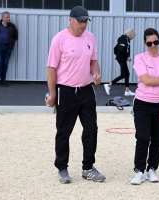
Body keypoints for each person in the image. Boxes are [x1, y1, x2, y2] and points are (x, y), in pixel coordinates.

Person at [45, 6, 106, 184]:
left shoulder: (90, 37)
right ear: (70, 19)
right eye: (80, 21)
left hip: (86, 90)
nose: (83, 24)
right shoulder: (59, 39)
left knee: (91, 129)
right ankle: (62, 168)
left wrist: (95, 74)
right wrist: (52, 94)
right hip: (66, 91)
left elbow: (93, 61)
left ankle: (88, 168)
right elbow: (51, 69)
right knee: (64, 131)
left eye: (86, 21)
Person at [130, 28, 159, 185]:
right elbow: (146, 80)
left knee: (158, 139)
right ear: (144, 43)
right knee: (142, 137)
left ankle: (152, 169)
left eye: (155, 42)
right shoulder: (140, 58)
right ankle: (139, 171)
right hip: (142, 103)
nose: (153, 45)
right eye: (149, 43)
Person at [104, 29, 136, 96]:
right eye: (132, 36)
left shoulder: (123, 39)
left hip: (121, 58)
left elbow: (115, 48)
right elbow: (121, 49)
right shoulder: (124, 39)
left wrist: (118, 55)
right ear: (130, 35)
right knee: (124, 74)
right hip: (121, 59)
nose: (132, 38)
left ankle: (127, 91)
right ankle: (109, 85)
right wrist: (127, 56)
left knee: (126, 74)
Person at [0, 11, 18, 87]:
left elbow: (15, 36)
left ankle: (3, 81)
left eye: (9, 17)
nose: (9, 18)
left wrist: (10, 43)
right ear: (3, 18)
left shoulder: (12, 26)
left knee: (5, 64)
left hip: (8, 48)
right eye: (7, 17)